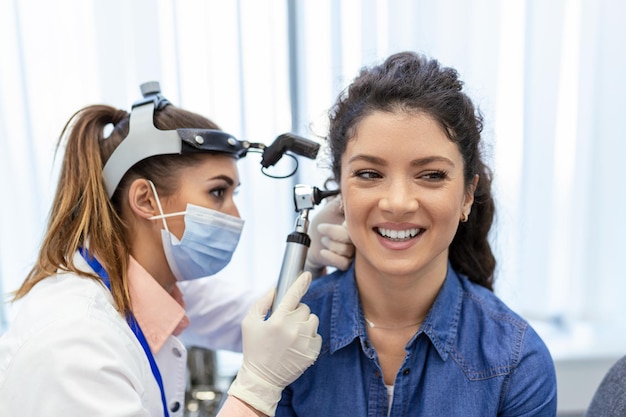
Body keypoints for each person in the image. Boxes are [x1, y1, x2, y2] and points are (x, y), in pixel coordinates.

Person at [0, 82, 352, 417]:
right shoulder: (75, 342)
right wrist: (258, 386)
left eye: (235, 194)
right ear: (145, 200)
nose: (235, 215)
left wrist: (308, 260)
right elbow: (265, 355)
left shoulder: (146, 285)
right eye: (217, 192)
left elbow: (255, 324)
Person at [276, 52, 557, 416]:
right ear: (340, 191)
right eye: (369, 174)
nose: (398, 203)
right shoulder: (283, 338)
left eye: (432, 175)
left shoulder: (517, 362)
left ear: (467, 196)